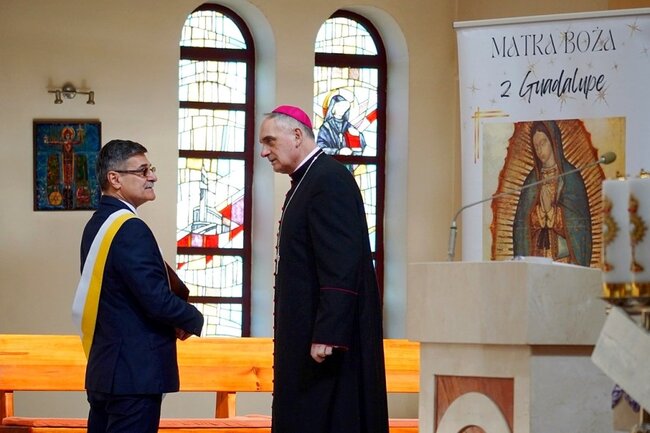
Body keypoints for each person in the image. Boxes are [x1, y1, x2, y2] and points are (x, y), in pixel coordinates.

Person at [259, 105, 389, 433]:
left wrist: (329, 332)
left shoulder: (328, 180)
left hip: (326, 342)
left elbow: (341, 261)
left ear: (297, 135)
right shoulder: (309, 180)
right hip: (309, 330)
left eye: (270, 141)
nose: (264, 152)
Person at [72, 139, 204, 433]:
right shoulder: (130, 228)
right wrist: (193, 318)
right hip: (134, 375)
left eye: (150, 169)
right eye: (143, 171)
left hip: (108, 370)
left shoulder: (98, 223)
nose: (152, 176)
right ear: (115, 179)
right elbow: (155, 299)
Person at [513, 120, 592, 266]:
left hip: (563, 260)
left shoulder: (570, 176)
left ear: (553, 141)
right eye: (536, 146)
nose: (539, 149)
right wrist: (539, 213)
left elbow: (579, 224)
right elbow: (521, 224)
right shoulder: (532, 180)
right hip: (536, 258)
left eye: (543, 143)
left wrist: (551, 212)